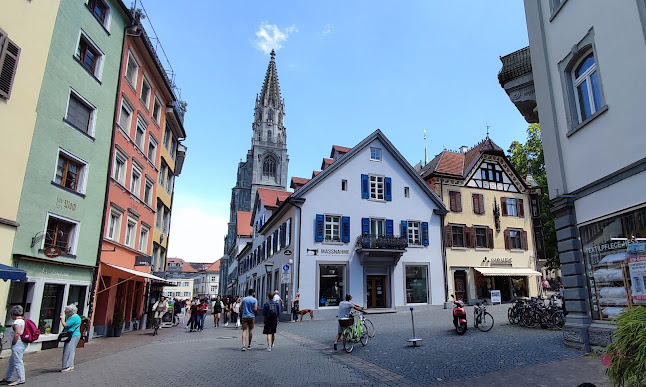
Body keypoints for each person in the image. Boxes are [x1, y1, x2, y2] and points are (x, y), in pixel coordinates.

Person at [2, 305, 26, 385]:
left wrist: (13, 342)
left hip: (17, 344)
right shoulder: (22, 320)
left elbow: (17, 333)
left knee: (17, 361)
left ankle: (21, 378)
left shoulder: (17, 322)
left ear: (13, 314)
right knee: (12, 361)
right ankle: (8, 377)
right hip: (21, 343)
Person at [59, 304, 82, 372]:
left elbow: (65, 325)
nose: (65, 311)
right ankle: (70, 365)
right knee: (71, 350)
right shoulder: (77, 317)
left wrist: (62, 319)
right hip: (75, 335)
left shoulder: (73, 318)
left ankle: (67, 366)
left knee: (68, 350)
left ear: (70, 311)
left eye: (66, 310)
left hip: (72, 336)